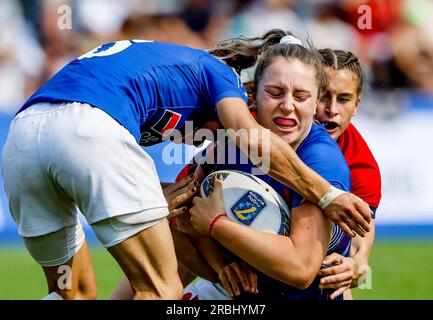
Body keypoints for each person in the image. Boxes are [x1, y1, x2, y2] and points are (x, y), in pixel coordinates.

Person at [1, 31, 370, 300]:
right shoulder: (219, 76)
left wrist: (159, 195)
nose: (203, 140)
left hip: (21, 134)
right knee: (161, 290)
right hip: (88, 129)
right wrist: (325, 195)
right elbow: (249, 136)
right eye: (274, 94)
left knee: (71, 292)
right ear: (248, 94)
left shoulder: (168, 73)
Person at [182, 34, 353, 300]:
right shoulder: (229, 142)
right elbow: (184, 219)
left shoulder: (321, 159)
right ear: (252, 95)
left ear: (317, 100)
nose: (287, 106)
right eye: (274, 93)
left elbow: (300, 270)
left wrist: (218, 225)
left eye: (301, 96)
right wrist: (220, 264)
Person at [314, 49, 382, 299]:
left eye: (344, 99)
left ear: (357, 105)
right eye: (323, 96)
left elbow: (360, 257)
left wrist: (355, 268)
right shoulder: (268, 131)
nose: (332, 109)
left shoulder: (362, 167)